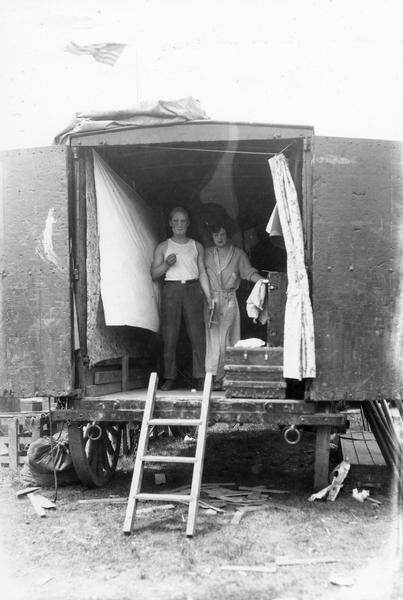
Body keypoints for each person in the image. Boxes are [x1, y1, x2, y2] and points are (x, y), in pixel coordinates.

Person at [151, 207, 212, 391]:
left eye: (183, 221)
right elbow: (154, 274)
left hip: (193, 289)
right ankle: (169, 377)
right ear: (170, 223)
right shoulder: (163, 246)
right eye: (176, 221)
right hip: (172, 289)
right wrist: (166, 264)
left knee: (197, 335)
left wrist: (209, 297)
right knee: (170, 335)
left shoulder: (196, 245)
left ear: (188, 223)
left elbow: (202, 272)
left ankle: (201, 377)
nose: (179, 224)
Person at [204, 221, 264, 390]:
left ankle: (226, 378)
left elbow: (249, 273)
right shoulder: (206, 253)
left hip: (229, 299)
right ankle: (212, 378)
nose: (219, 238)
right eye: (216, 235)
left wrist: (265, 281)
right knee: (213, 340)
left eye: (222, 234)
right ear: (211, 236)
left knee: (227, 339)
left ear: (228, 235)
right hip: (211, 301)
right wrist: (208, 297)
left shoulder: (238, 254)